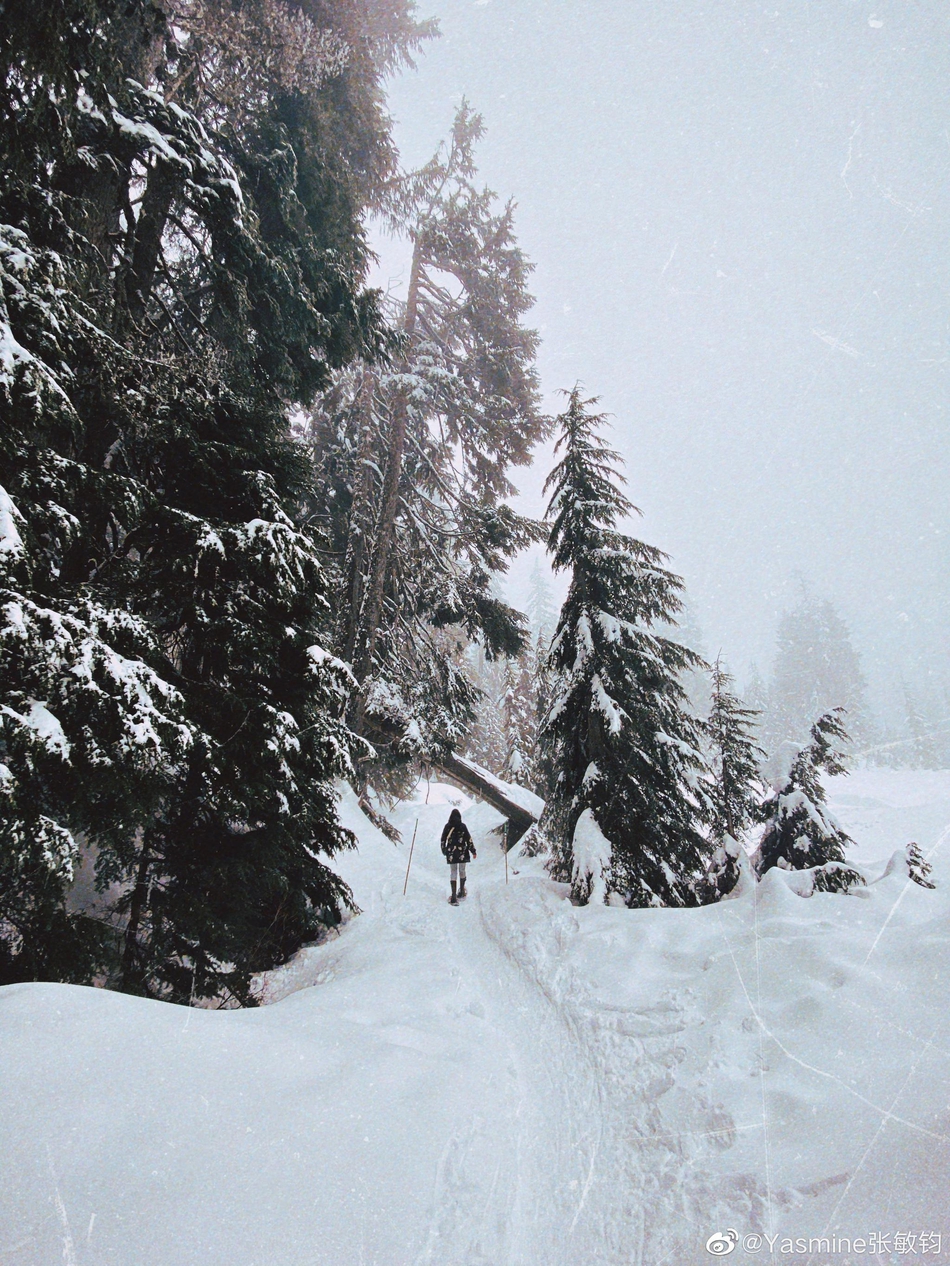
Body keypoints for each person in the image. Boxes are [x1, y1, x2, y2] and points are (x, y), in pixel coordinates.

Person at [440, 807, 476, 905]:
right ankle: (461, 891)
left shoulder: (447, 826)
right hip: (462, 852)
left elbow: (443, 839)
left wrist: (444, 850)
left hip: (451, 852)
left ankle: (454, 896)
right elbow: (468, 839)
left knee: (453, 872)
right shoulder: (463, 826)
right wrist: (473, 851)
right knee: (462, 871)